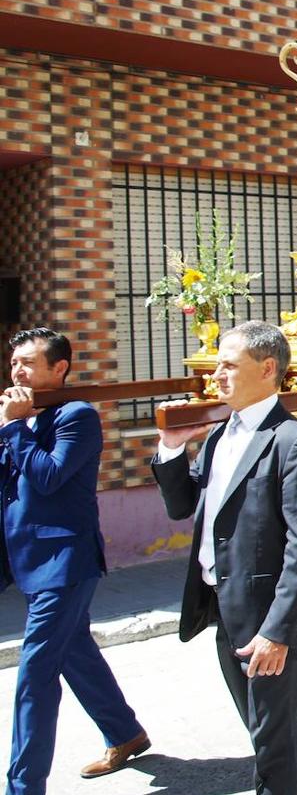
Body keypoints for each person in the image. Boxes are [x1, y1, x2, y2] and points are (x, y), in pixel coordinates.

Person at [152, 322, 297, 795]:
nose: (215, 374)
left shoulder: (294, 442)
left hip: (269, 618)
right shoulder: (220, 437)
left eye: (228, 365)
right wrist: (173, 448)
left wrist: (277, 632)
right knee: (271, 728)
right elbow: (184, 507)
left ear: (266, 369)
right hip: (225, 607)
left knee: (272, 750)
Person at [0, 329, 149, 794]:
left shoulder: (77, 416)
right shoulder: (19, 415)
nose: (16, 371)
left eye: (27, 362)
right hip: (24, 556)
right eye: (13, 363)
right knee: (73, 651)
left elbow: (47, 477)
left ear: (59, 367)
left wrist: (12, 428)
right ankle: (125, 733)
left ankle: (24, 786)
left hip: (65, 561)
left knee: (35, 676)